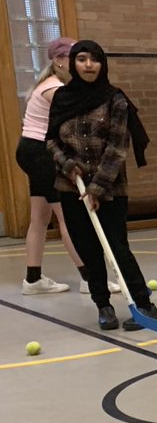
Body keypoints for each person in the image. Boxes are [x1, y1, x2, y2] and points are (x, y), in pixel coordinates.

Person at [47, 40, 157, 331]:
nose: (88, 65)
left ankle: (144, 304)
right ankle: (103, 305)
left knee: (117, 247)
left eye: (94, 59)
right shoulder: (61, 98)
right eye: (81, 59)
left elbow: (118, 148)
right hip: (71, 187)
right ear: (73, 63)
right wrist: (69, 166)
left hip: (110, 189)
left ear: (102, 64)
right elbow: (51, 140)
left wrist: (96, 188)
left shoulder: (115, 100)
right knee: (88, 249)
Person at [15, 37, 90, 295]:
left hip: (31, 151)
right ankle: (90, 278)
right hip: (41, 154)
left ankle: (33, 280)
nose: (83, 64)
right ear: (59, 61)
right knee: (67, 216)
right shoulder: (55, 89)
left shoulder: (50, 85)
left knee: (40, 217)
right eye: (77, 59)